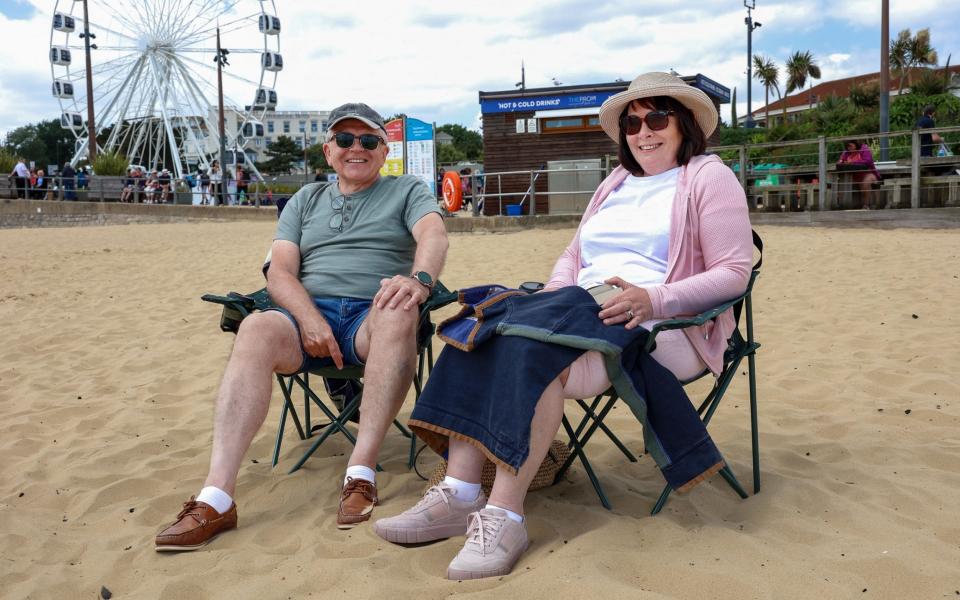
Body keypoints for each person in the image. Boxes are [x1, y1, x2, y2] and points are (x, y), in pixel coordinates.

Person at [374, 72, 753, 580]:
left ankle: (505, 514)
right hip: (582, 307)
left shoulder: (709, 177)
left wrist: (654, 298)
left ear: (684, 124)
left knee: (533, 352)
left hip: (665, 325)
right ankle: (459, 494)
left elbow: (734, 273)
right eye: (633, 122)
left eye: (657, 118)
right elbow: (574, 255)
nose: (644, 131)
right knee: (478, 332)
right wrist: (555, 293)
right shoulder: (615, 183)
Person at [154, 102, 449, 551]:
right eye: (345, 140)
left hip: (373, 315)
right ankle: (216, 497)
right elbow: (279, 272)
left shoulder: (406, 190)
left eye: (368, 140)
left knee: (397, 310)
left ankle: (361, 473)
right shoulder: (305, 199)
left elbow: (433, 235)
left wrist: (420, 281)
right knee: (254, 329)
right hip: (305, 316)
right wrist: (309, 318)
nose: (357, 148)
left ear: (383, 149)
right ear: (328, 150)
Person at [837, 140, 880, 209]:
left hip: (867, 173)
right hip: (853, 176)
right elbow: (840, 161)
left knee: (866, 182)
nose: (849, 148)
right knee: (840, 183)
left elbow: (868, 161)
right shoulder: (846, 153)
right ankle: (842, 205)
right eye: (847, 146)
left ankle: (866, 205)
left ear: (856, 144)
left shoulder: (864, 149)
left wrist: (853, 162)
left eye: (851, 146)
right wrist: (841, 162)